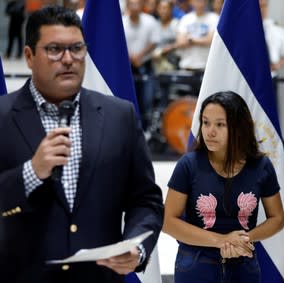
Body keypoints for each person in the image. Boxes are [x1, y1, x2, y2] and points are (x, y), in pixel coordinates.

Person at [0, 6, 164, 283]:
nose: (68, 59)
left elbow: (145, 200)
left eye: (77, 48)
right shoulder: (3, 116)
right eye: (54, 49)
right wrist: (31, 172)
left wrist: (137, 247)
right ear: (29, 56)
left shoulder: (119, 115)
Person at [163, 91, 284, 282]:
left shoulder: (261, 166)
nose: (210, 131)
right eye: (205, 122)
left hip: (243, 263)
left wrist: (245, 239)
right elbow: (168, 221)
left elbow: (277, 218)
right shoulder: (188, 164)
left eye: (220, 124)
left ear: (239, 128)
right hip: (196, 265)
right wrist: (221, 240)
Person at [123, 0, 161, 130]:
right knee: (127, 100)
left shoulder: (150, 21)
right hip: (127, 67)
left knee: (146, 100)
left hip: (146, 65)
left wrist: (140, 55)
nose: (134, 6)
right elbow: (117, 42)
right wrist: (130, 57)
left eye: (137, 3)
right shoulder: (121, 21)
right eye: (132, 3)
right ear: (127, 6)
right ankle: (128, 129)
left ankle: (145, 130)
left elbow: (155, 41)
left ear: (142, 5)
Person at [259, 0, 284, 77]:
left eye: (263, 6)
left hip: (271, 76)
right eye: (258, 7)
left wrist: (277, 65)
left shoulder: (277, 29)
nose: (261, 9)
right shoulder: (245, 30)